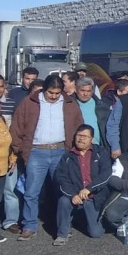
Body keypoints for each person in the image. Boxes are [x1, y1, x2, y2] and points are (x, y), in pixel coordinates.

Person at [10, 74, 84, 241]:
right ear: (44, 89)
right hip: (37, 151)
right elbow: (17, 127)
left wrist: (74, 150)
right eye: (51, 92)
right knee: (31, 192)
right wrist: (20, 150)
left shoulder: (70, 104)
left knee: (63, 191)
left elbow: (79, 125)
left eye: (57, 93)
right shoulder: (29, 102)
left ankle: (63, 226)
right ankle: (29, 225)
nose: (54, 96)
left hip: (60, 151)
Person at [52, 124, 112, 245]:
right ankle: (63, 233)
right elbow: (61, 177)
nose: (81, 139)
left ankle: (82, 219)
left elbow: (106, 174)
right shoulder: (68, 156)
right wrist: (72, 194)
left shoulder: (101, 152)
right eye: (79, 136)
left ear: (92, 139)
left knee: (96, 233)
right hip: (75, 194)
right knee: (63, 201)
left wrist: (89, 189)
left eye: (85, 136)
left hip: (93, 196)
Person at [0, 73, 21, 233]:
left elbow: (13, 130)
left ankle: (10, 220)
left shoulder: (10, 104)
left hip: (6, 153)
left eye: (1, 86)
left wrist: (13, 154)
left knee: (9, 189)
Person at [74, 77, 111, 150]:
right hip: (78, 147)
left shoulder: (100, 104)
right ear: (76, 89)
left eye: (89, 91)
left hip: (97, 147)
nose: (85, 94)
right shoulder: (70, 104)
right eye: (82, 90)